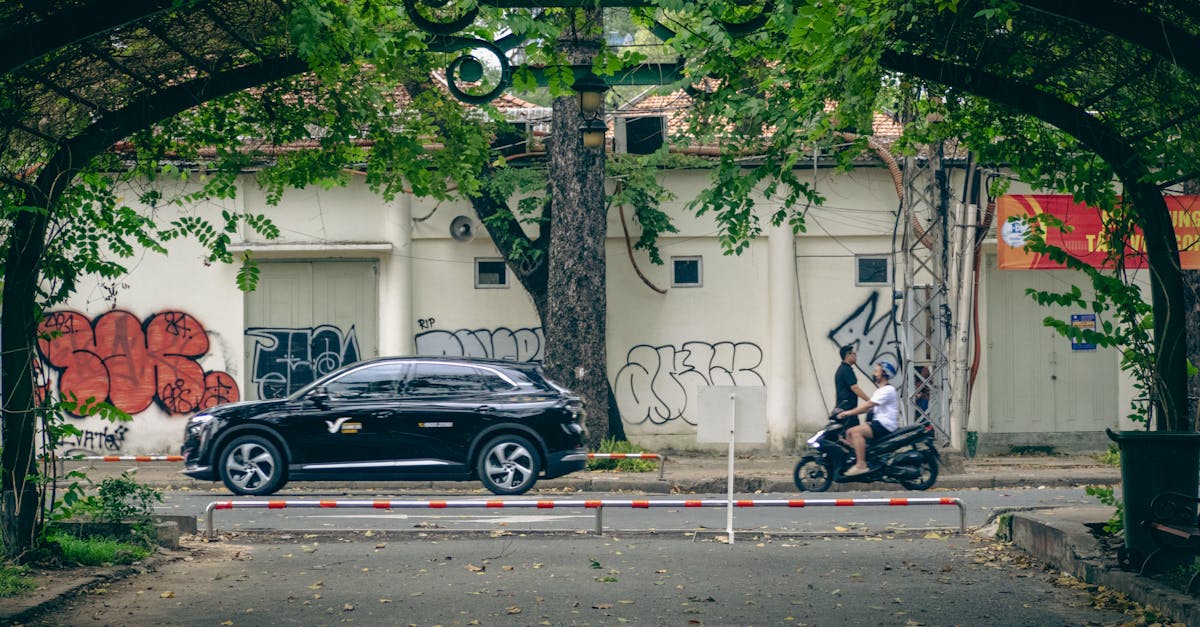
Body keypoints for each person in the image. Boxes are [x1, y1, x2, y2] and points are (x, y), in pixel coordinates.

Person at [837, 361, 900, 477]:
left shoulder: (888, 390)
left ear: (884, 374)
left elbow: (868, 405)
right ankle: (865, 457)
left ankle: (861, 464)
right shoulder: (879, 391)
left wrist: (848, 413)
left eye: (877, 372)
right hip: (879, 422)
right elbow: (869, 408)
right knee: (848, 432)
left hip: (885, 424)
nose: (874, 374)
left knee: (856, 432)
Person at [834, 344, 871, 414]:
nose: (856, 356)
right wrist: (870, 401)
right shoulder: (846, 370)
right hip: (847, 409)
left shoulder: (841, 369)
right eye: (854, 354)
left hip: (844, 408)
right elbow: (855, 388)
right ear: (848, 355)